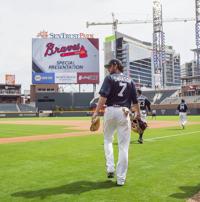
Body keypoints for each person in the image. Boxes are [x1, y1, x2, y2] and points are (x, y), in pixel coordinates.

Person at [92, 59, 140, 186]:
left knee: (108, 140)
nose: (108, 68)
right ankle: (121, 179)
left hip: (110, 110)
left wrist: (96, 112)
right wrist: (138, 114)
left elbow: (103, 97)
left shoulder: (110, 78)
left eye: (109, 66)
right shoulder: (130, 80)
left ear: (116, 66)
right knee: (123, 147)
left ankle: (110, 167)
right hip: (124, 112)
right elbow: (135, 101)